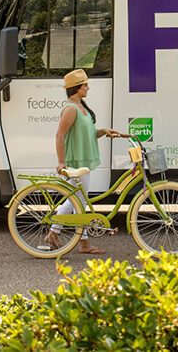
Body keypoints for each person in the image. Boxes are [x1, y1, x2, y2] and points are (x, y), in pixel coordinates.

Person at [45, 69, 119, 254]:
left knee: (78, 200)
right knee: (77, 200)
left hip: (85, 159)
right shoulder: (71, 109)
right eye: (85, 85)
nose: (87, 88)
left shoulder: (81, 107)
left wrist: (103, 131)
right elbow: (60, 135)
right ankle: (61, 236)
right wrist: (61, 162)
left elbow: (87, 134)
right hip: (76, 161)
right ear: (76, 88)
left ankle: (71, 239)